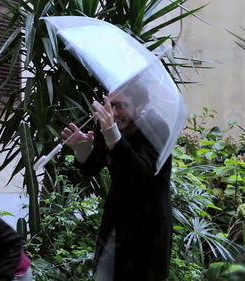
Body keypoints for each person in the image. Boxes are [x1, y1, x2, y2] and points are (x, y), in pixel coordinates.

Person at [61, 85, 173, 281]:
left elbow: (140, 174)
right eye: (110, 105)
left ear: (140, 106)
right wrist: (81, 148)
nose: (113, 112)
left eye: (120, 106)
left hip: (147, 226)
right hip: (116, 221)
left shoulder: (157, 127)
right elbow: (92, 167)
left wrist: (112, 133)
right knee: (104, 275)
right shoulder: (109, 124)